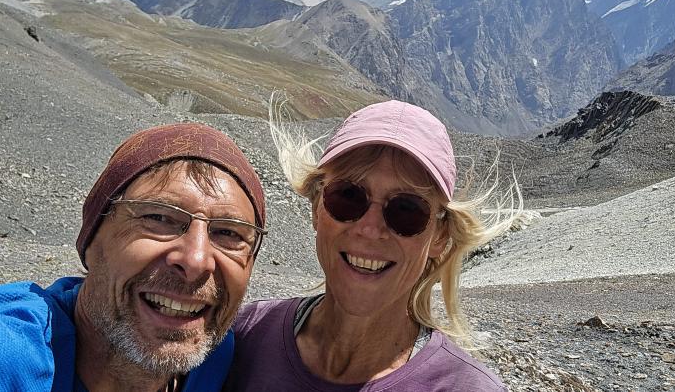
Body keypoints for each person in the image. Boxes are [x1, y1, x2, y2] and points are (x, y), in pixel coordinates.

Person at [0, 123, 267, 392]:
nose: (196, 260)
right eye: (158, 218)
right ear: (92, 241)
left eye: (229, 234)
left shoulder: (216, 355)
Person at [224, 100, 523, 391]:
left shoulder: (464, 386)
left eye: (406, 210)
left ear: (439, 236)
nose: (370, 229)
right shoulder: (241, 337)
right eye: (348, 196)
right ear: (316, 208)